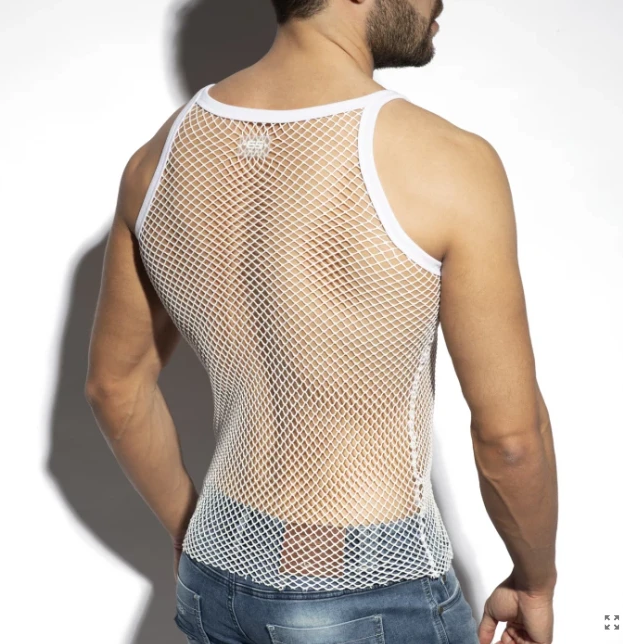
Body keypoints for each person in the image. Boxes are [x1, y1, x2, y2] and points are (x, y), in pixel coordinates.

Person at [85, 1, 558, 643]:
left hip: (213, 573)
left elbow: (114, 388)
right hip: (370, 590)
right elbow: (510, 439)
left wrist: (190, 529)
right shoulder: (446, 160)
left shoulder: (157, 160)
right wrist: (535, 580)